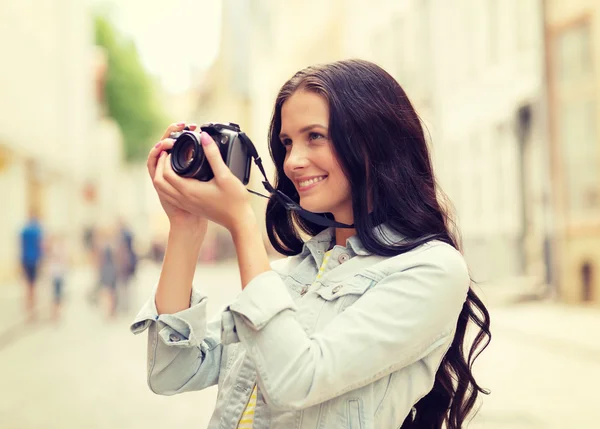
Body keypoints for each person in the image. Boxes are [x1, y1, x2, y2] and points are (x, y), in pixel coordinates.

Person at [131, 59, 491, 429]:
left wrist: (241, 223)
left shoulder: (431, 270)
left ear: (373, 141)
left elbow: (295, 381)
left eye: (314, 136)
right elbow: (171, 372)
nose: (292, 162)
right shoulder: (287, 276)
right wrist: (186, 227)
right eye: (287, 143)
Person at [20, 212, 43, 322]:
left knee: (28, 286)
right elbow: (40, 246)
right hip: (34, 260)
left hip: (25, 260)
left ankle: (28, 309)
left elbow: (21, 246)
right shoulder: (37, 230)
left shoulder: (24, 230)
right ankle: (33, 311)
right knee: (33, 286)